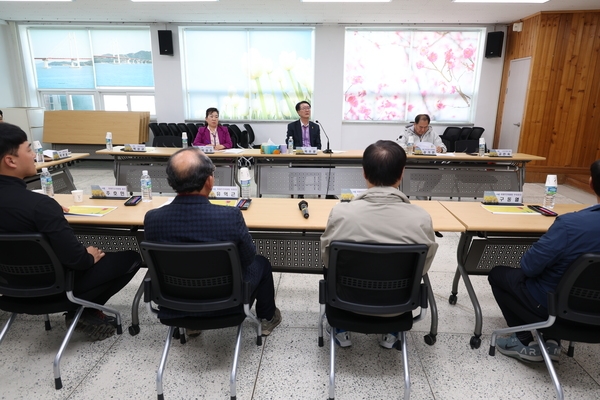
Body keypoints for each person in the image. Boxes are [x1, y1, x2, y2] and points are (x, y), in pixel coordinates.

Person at [0, 123, 141, 341]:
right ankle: (83, 309)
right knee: (131, 256)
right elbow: (78, 261)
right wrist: (88, 255)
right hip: (57, 291)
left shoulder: (40, 206)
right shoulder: (39, 206)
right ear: (10, 161)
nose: (35, 156)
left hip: (8, 290)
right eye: (29, 150)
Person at [143, 147, 281, 336]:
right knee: (261, 263)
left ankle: (191, 324)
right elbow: (248, 259)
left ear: (171, 182)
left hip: (174, 303)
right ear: (209, 180)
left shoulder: (152, 218)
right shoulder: (230, 216)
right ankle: (267, 317)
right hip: (227, 302)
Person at [320, 140, 438, 349]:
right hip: (398, 306)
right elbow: (423, 268)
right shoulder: (421, 218)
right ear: (402, 173)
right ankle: (391, 332)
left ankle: (340, 329)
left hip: (344, 302)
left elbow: (327, 260)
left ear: (364, 173)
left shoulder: (341, 213)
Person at [489, 160, 600, 363]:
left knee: (499, 275)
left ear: (591, 183)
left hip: (554, 307)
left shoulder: (571, 224)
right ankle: (552, 341)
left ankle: (522, 340)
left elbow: (529, 267)